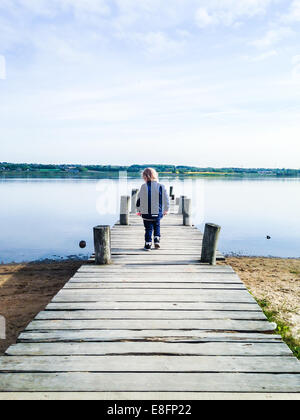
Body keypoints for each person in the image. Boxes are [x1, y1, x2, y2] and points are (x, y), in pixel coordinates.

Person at [136, 168, 169, 251]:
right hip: (158, 213)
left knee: (148, 229)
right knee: (157, 226)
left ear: (145, 177)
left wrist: (139, 209)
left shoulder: (144, 186)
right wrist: (166, 209)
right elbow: (166, 199)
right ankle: (157, 239)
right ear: (155, 175)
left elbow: (140, 199)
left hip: (146, 213)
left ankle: (148, 244)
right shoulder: (161, 186)